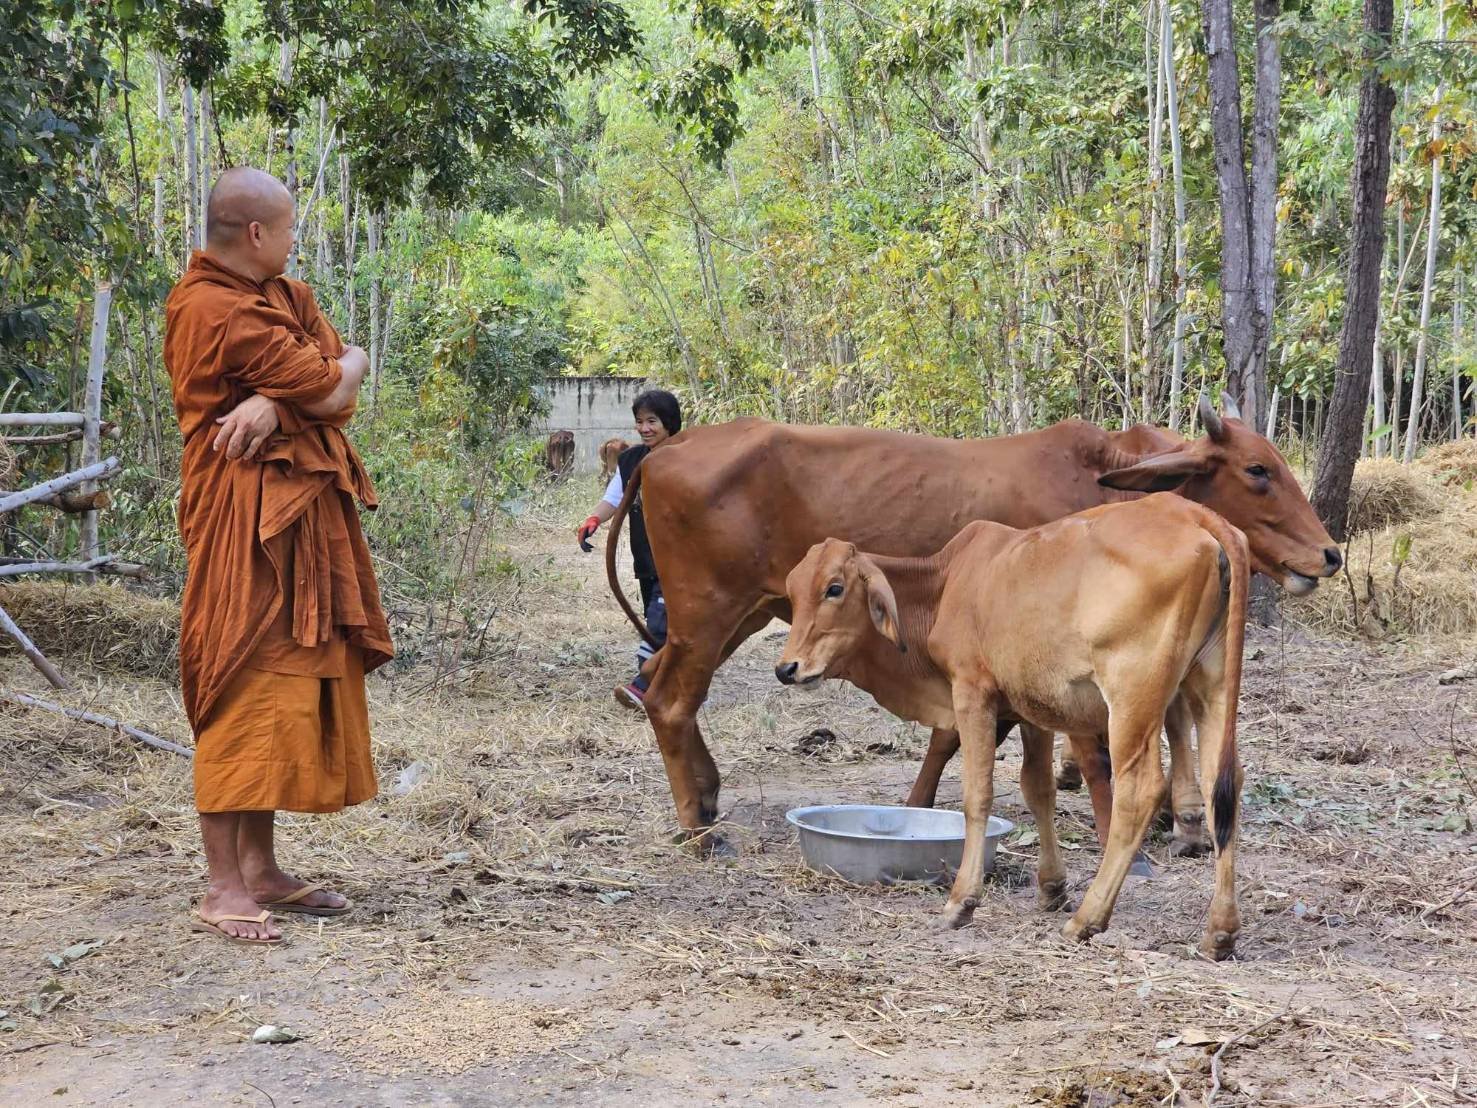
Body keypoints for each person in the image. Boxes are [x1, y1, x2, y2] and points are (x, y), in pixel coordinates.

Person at [163, 167, 394, 945]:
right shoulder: (212, 309)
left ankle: (260, 871)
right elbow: (331, 392)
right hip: (244, 522)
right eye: (291, 228)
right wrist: (320, 380)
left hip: (300, 522)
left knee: (284, 681)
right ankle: (223, 886)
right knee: (240, 679)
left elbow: (341, 369)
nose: (296, 242)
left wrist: (275, 396)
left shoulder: (284, 299)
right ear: (256, 233)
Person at [576, 390, 682, 712]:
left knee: (661, 623)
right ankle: (685, 685)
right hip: (648, 558)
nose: (645, 428)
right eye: (640, 422)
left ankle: (643, 686)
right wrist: (593, 519)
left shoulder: (690, 454)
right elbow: (614, 497)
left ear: (669, 422)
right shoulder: (631, 460)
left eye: (652, 421)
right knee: (670, 623)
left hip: (683, 559)